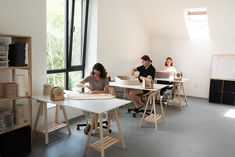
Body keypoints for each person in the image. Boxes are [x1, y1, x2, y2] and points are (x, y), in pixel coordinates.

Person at [76, 63, 109, 134]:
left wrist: (98, 91)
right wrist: (85, 86)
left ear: (101, 72)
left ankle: (90, 124)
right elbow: (77, 84)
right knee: (83, 106)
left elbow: (107, 91)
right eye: (95, 72)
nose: (96, 75)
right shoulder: (90, 77)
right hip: (91, 96)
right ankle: (92, 123)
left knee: (93, 108)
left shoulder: (104, 78)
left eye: (98, 73)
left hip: (101, 98)